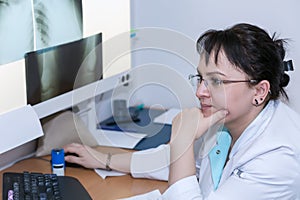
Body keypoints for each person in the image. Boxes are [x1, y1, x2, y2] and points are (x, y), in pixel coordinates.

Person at [63, 23, 300, 199]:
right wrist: (105, 159)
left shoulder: (276, 158)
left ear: (259, 91)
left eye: (216, 81)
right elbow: (177, 163)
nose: (199, 92)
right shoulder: (230, 122)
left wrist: (183, 141)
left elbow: (183, 157)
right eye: (200, 78)